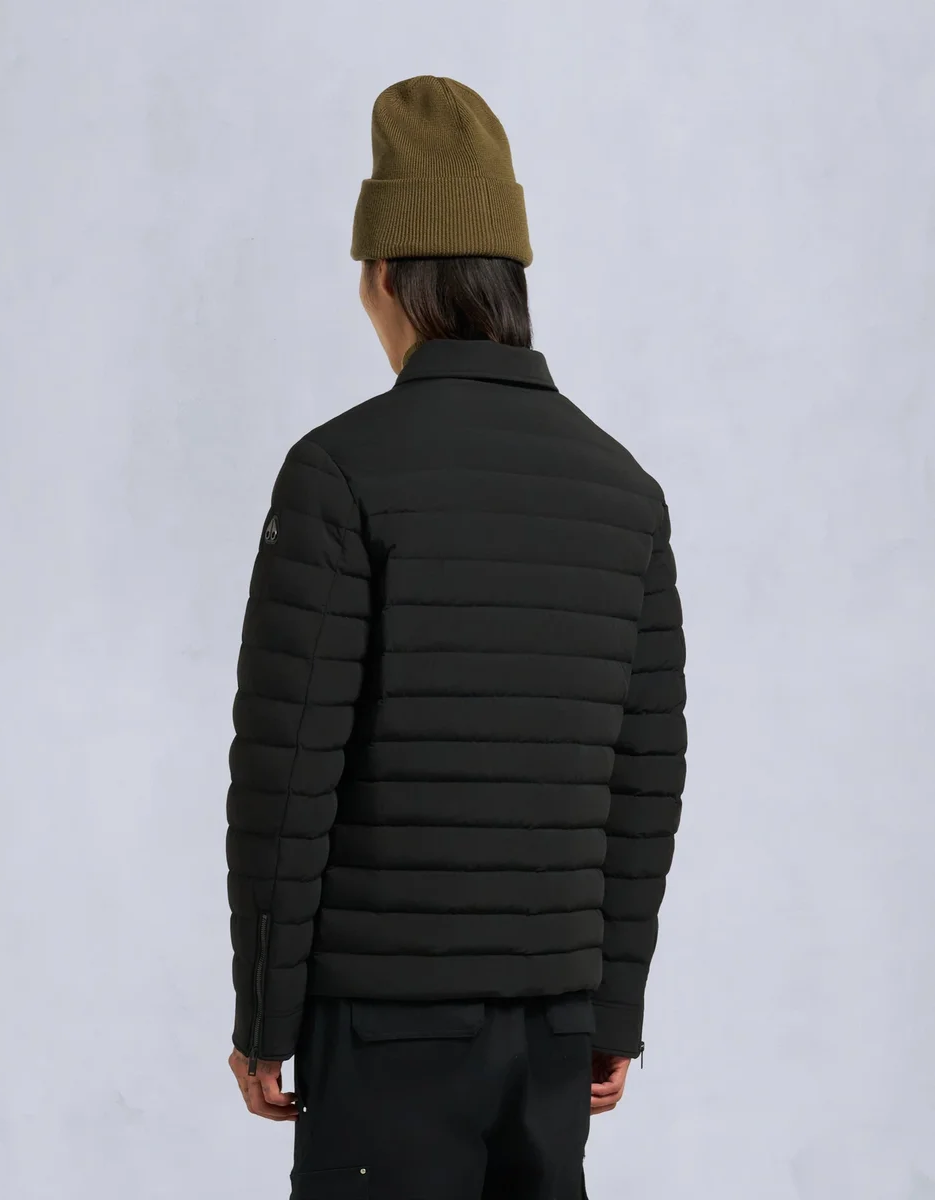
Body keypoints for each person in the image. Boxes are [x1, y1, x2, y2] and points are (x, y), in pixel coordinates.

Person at [225, 75, 687, 1200]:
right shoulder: (624, 491)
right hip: (553, 1028)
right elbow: (644, 780)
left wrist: (264, 1017)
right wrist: (611, 1009)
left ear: (384, 276)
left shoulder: (339, 472)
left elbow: (289, 772)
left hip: (383, 1027)